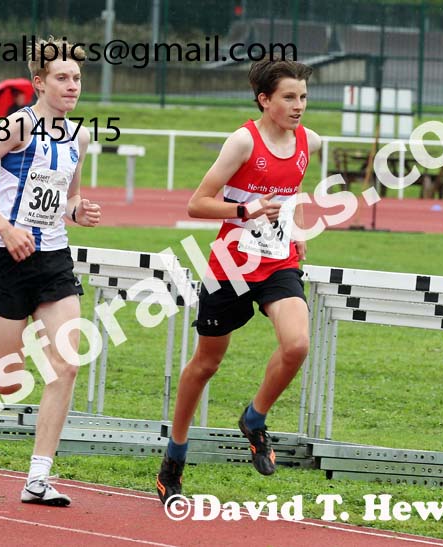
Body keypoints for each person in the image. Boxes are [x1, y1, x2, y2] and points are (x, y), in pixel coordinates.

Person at [155, 58, 321, 505]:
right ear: (265, 100)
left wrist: (297, 229)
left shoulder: (308, 141)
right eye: (289, 97)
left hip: (278, 264)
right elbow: (197, 204)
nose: (299, 105)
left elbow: (291, 192)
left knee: (297, 345)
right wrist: (246, 210)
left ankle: (254, 418)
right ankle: (175, 455)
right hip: (230, 265)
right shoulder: (243, 142)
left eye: (303, 97)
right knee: (206, 364)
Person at [0, 37, 101, 507]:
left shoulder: (79, 137)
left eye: (77, 78)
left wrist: (79, 211)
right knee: (8, 382)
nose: (72, 86)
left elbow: (69, 197)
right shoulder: (18, 126)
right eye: (62, 78)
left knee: (67, 364)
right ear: (39, 82)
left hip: (54, 260)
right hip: (8, 259)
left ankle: (38, 477)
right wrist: (5, 227)